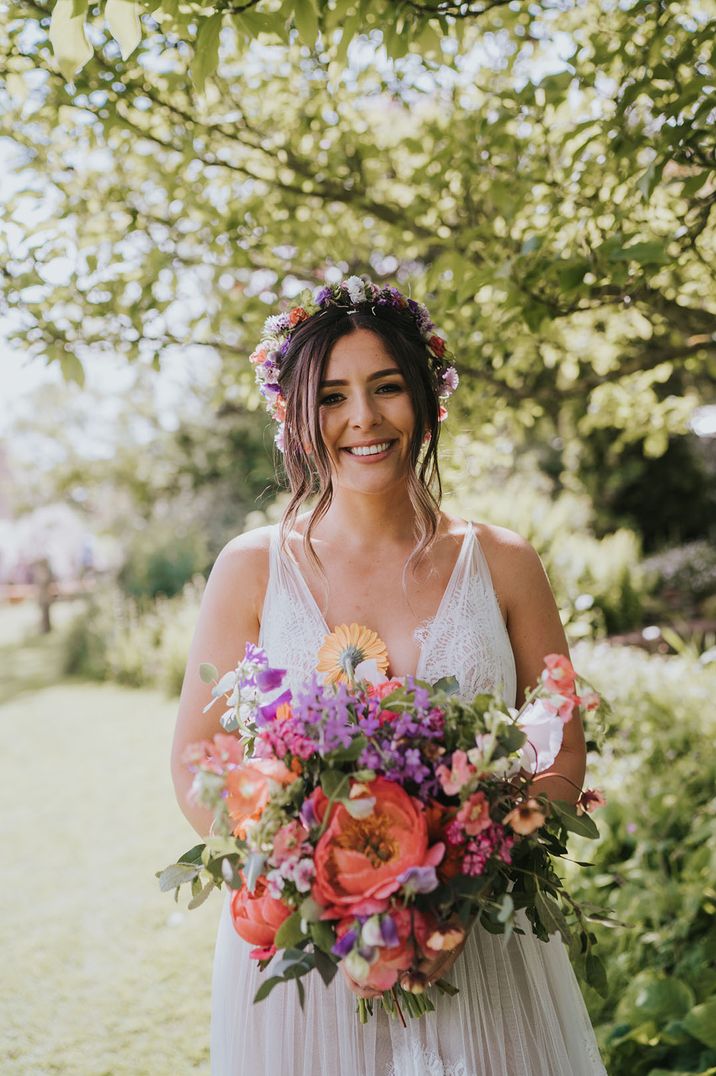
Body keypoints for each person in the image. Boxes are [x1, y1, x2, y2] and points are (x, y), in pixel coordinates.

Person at [171, 277, 607, 1075]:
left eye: (386, 388)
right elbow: (200, 763)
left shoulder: (504, 563)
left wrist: (457, 897)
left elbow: (562, 754)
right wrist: (314, 898)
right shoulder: (251, 568)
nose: (363, 418)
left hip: (484, 944)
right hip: (315, 961)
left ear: (428, 399)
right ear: (296, 418)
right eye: (332, 396)